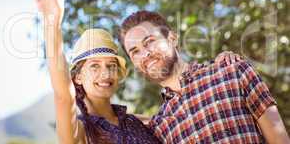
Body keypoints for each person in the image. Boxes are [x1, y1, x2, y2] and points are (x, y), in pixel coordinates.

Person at [119, 10, 290, 144]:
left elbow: (279, 139)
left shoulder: (233, 72)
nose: (145, 54)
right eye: (135, 52)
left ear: (172, 38)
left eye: (149, 41)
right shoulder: (159, 127)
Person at [33, 0, 161, 144]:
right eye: (94, 66)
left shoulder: (139, 123)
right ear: (77, 77)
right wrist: (52, 21)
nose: (105, 73)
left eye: (111, 66)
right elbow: (63, 96)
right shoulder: (79, 132)